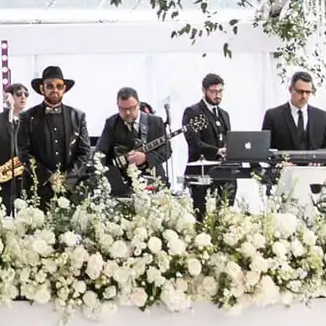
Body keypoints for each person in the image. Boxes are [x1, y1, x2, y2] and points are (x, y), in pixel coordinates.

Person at [19, 66, 91, 207]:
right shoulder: (27, 117)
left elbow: (85, 152)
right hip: (37, 190)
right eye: (50, 86)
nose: (55, 90)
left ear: (64, 89)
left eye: (59, 86)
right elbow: (23, 152)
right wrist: (48, 176)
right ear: (42, 88)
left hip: (70, 190)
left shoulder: (78, 117)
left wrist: (67, 177)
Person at [97, 87, 171, 200]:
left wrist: (146, 158)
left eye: (131, 108)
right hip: (124, 186)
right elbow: (100, 153)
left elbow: (166, 151)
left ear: (138, 104)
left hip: (154, 182)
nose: (127, 113)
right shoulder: (112, 123)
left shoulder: (155, 122)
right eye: (122, 109)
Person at [182, 73, 233, 218]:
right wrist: (217, 151)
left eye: (220, 91)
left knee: (226, 216)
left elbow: (228, 139)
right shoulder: (193, 112)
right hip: (201, 174)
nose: (218, 95)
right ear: (204, 90)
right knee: (202, 218)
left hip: (224, 174)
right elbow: (194, 143)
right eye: (213, 91)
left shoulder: (224, 114)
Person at [0, 83, 31, 215]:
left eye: (26, 94)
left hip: (25, 181)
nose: (23, 97)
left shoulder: (30, 122)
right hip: (4, 180)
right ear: (10, 97)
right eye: (19, 94)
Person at [262, 71, 326, 154]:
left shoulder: (322, 117)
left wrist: (318, 158)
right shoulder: (273, 116)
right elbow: (264, 149)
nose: (304, 96)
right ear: (290, 89)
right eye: (300, 92)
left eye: (308, 92)